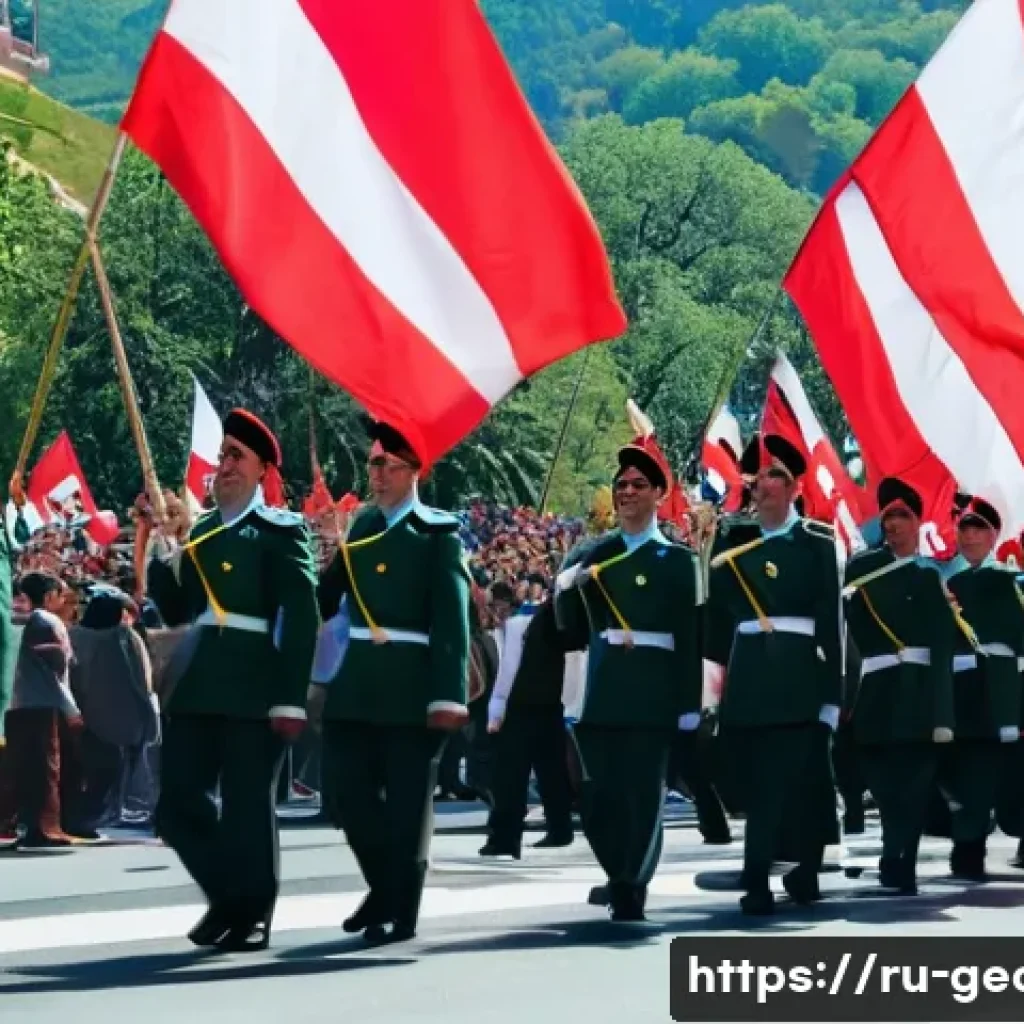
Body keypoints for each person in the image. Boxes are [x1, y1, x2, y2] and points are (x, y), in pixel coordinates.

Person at [146, 408, 320, 952]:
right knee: (175, 805)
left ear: (263, 469)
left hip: (254, 687)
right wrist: (159, 549)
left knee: (247, 805)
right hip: (200, 686)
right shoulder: (200, 531)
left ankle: (253, 912)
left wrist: (291, 698)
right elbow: (177, 609)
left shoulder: (279, 531)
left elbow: (302, 617)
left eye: (235, 457)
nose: (224, 466)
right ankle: (229, 897)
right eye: (222, 456)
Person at [315, 419, 471, 946]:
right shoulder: (360, 528)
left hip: (411, 685)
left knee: (407, 806)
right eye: (373, 463)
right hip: (357, 684)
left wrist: (447, 695)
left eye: (386, 464)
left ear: (413, 471)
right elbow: (326, 597)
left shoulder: (437, 534)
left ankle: (398, 909)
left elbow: (452, 622)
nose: (376, 473)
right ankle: (385, 887)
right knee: (346, 793)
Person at [554, 402, 703, 922]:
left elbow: (689, 636)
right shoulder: (594, 554)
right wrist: (565, 582)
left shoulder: (678, 561)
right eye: (622, 483)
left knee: (642, 797)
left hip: (652, 693)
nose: (627, 491)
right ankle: (620, 871)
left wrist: (688, 704)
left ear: (659, 495)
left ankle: (630, 885)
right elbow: (566, 624)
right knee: (595, 798)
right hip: (600, 691)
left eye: (639, 484)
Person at [704, 434, 842, 916]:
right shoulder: (733, 542)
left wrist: (832, 696)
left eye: (774, 476)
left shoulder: (817, 543)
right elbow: (717, 615)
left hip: (800, 676)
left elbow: (831, 623)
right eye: (757, 477)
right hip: (750, 680)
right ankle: (758, 874)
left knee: (803, 783)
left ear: (794, 487)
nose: (762, 485)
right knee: (757, 785)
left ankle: (800, 870)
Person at [843, 478, 956, 893]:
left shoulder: (932, 576)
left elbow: (943, 648)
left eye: (902, 516)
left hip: (919, 692)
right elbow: (850, 632)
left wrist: (943, 714)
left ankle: (898, 859)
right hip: (877, 689)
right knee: (884, 782)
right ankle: (896, 849)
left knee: (914, 783)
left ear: (918, 522)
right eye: (887, 516)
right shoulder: (865, 568)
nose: (893, 524)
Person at [940, 495, 1024, 881]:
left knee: (1011, 776)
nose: (970, 537)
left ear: (994, 536)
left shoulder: (1013, 582)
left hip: (1004, 690)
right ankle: (968, 848)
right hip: (965, 692)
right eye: (964, 529)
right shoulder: (950, 584)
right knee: (969, 773)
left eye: (979, 530)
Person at [481, 597, 575, 858]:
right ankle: (560, 827)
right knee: (552, 771)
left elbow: (508, 671)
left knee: (510, 776)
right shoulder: (560, 619)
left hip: (523, 703)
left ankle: (505, 837)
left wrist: (497, 709)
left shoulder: (519, 625)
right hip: (553, 702)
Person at [0, 571, 83, 849]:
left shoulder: (15, 622)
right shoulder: (47, 622)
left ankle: (18, 823)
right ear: (48, 597)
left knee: (17, 768)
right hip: (42, 705)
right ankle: (44, 829)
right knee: (46, 769)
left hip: (14, 704)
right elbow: (55, 674)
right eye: (60, 594)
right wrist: (71, 709)